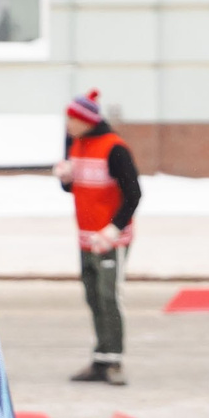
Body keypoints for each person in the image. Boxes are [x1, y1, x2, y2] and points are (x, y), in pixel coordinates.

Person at [56, 90, 139, 384]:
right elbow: (78, 188)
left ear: (85, 121)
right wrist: (66, 179)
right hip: (86, 237)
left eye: (71, 119)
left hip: (110, 238)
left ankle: (114, 360)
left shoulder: (115, 148)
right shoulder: (76, 144)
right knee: (93, 296)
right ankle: (100, 359)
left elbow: (133, 194)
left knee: (108, 296)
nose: (67, 123)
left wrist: (114, 229)